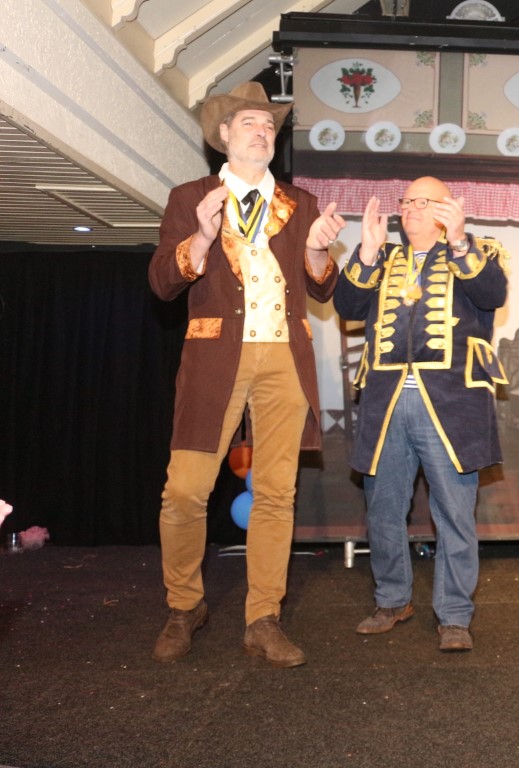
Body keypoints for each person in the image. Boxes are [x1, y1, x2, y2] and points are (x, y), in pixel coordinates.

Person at [149, 82, 345, 667]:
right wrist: (202, 238)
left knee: (277, 493)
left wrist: (318, 253)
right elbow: (162, 283)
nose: (262, 132)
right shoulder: (190, 197)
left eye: (268, 124)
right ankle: (185, 606)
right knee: (184, 490)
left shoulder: (300, 201)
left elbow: (321, 287)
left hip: (284, 358)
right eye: (249, 123)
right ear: (223, 135)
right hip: (215, 359)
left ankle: (263, 618)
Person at [335, 177, 508, 653]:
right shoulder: (383, 257)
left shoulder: (476, 251)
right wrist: (367, 251)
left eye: (422, 201)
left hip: (450, 405)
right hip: (386, 403)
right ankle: (392, 600)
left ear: (446, 210)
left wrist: (460, 241)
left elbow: (491, 295)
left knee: (454, 513)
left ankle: (454, 615)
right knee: (383, 510)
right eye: (406, 201)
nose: (410, 208)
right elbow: (347, 306)